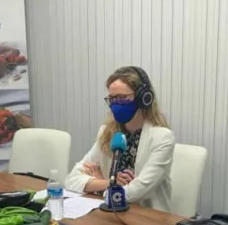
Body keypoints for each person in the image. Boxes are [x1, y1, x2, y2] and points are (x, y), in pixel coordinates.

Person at [64, 66, 175, 212]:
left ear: (143, 98)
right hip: (110, 215)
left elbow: (138, 192)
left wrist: (98, 186)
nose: (116, 104)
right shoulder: (107, 132)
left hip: (147, 216)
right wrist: (109, 183)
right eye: (112, 99)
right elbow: (71, 179)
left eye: (122, 98)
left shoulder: (162, 138)